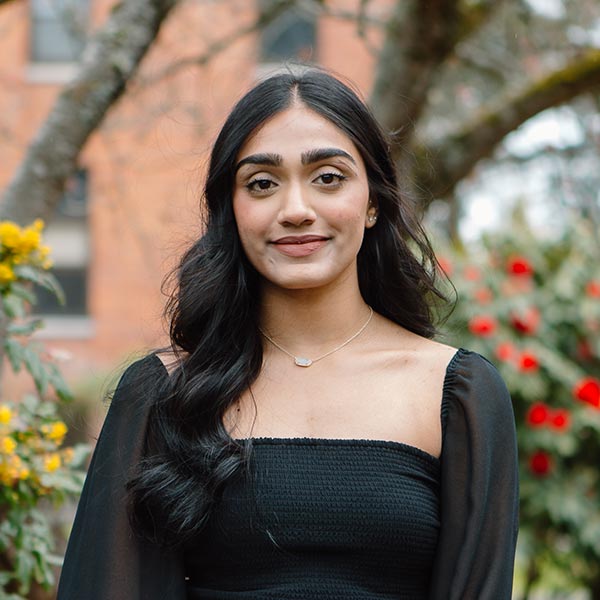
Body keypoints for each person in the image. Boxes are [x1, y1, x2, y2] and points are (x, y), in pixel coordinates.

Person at [57, 68, 519, 600]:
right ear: (231, 209)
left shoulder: (455, 393)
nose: (296, 210)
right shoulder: (163, 393)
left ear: (372, 202)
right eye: (262, 184)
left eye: (328, 177)